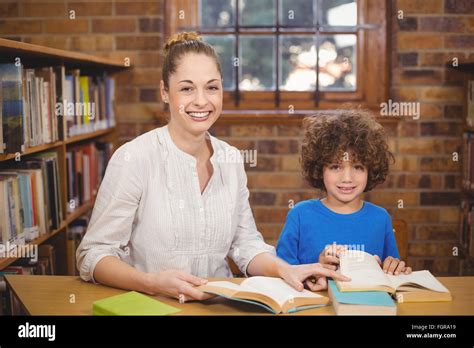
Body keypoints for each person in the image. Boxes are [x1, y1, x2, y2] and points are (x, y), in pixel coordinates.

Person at [76, 32, 349, 302]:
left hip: (217, 306)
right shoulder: (134, 158)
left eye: (212, 87)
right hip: (152, 305)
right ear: (164, 92)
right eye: (186, 88)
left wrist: (285, 269)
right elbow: (94, 255)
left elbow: (245, 244)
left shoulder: (230, 159)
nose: (201, 101)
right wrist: (151, 283)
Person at [276, 109, 412, 287]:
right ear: (319, 169)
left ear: (370, 170)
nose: (347, 178)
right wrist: (317, 267)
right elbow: (282, 274)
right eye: (335, 167)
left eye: (357, 167)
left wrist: (395, 269)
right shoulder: (300, 215)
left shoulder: (381, 218)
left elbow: (391, 274)